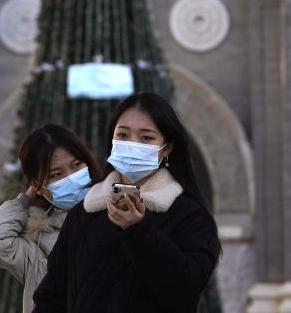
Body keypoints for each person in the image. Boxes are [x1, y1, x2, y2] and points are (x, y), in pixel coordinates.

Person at [32, 91, 220, 313]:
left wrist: (138, 230)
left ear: (167, 148)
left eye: (146, 138)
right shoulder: (84, 212)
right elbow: (51, 298)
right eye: (123, 135)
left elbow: (184, 290)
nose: (132, 145)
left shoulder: (189, 215)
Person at [0, 124, 102, 313]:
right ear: (38, 186)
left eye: (76, 166)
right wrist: (25, 200)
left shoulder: (117, 216)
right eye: (56, 175)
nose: (72, 178)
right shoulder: (38, 246)